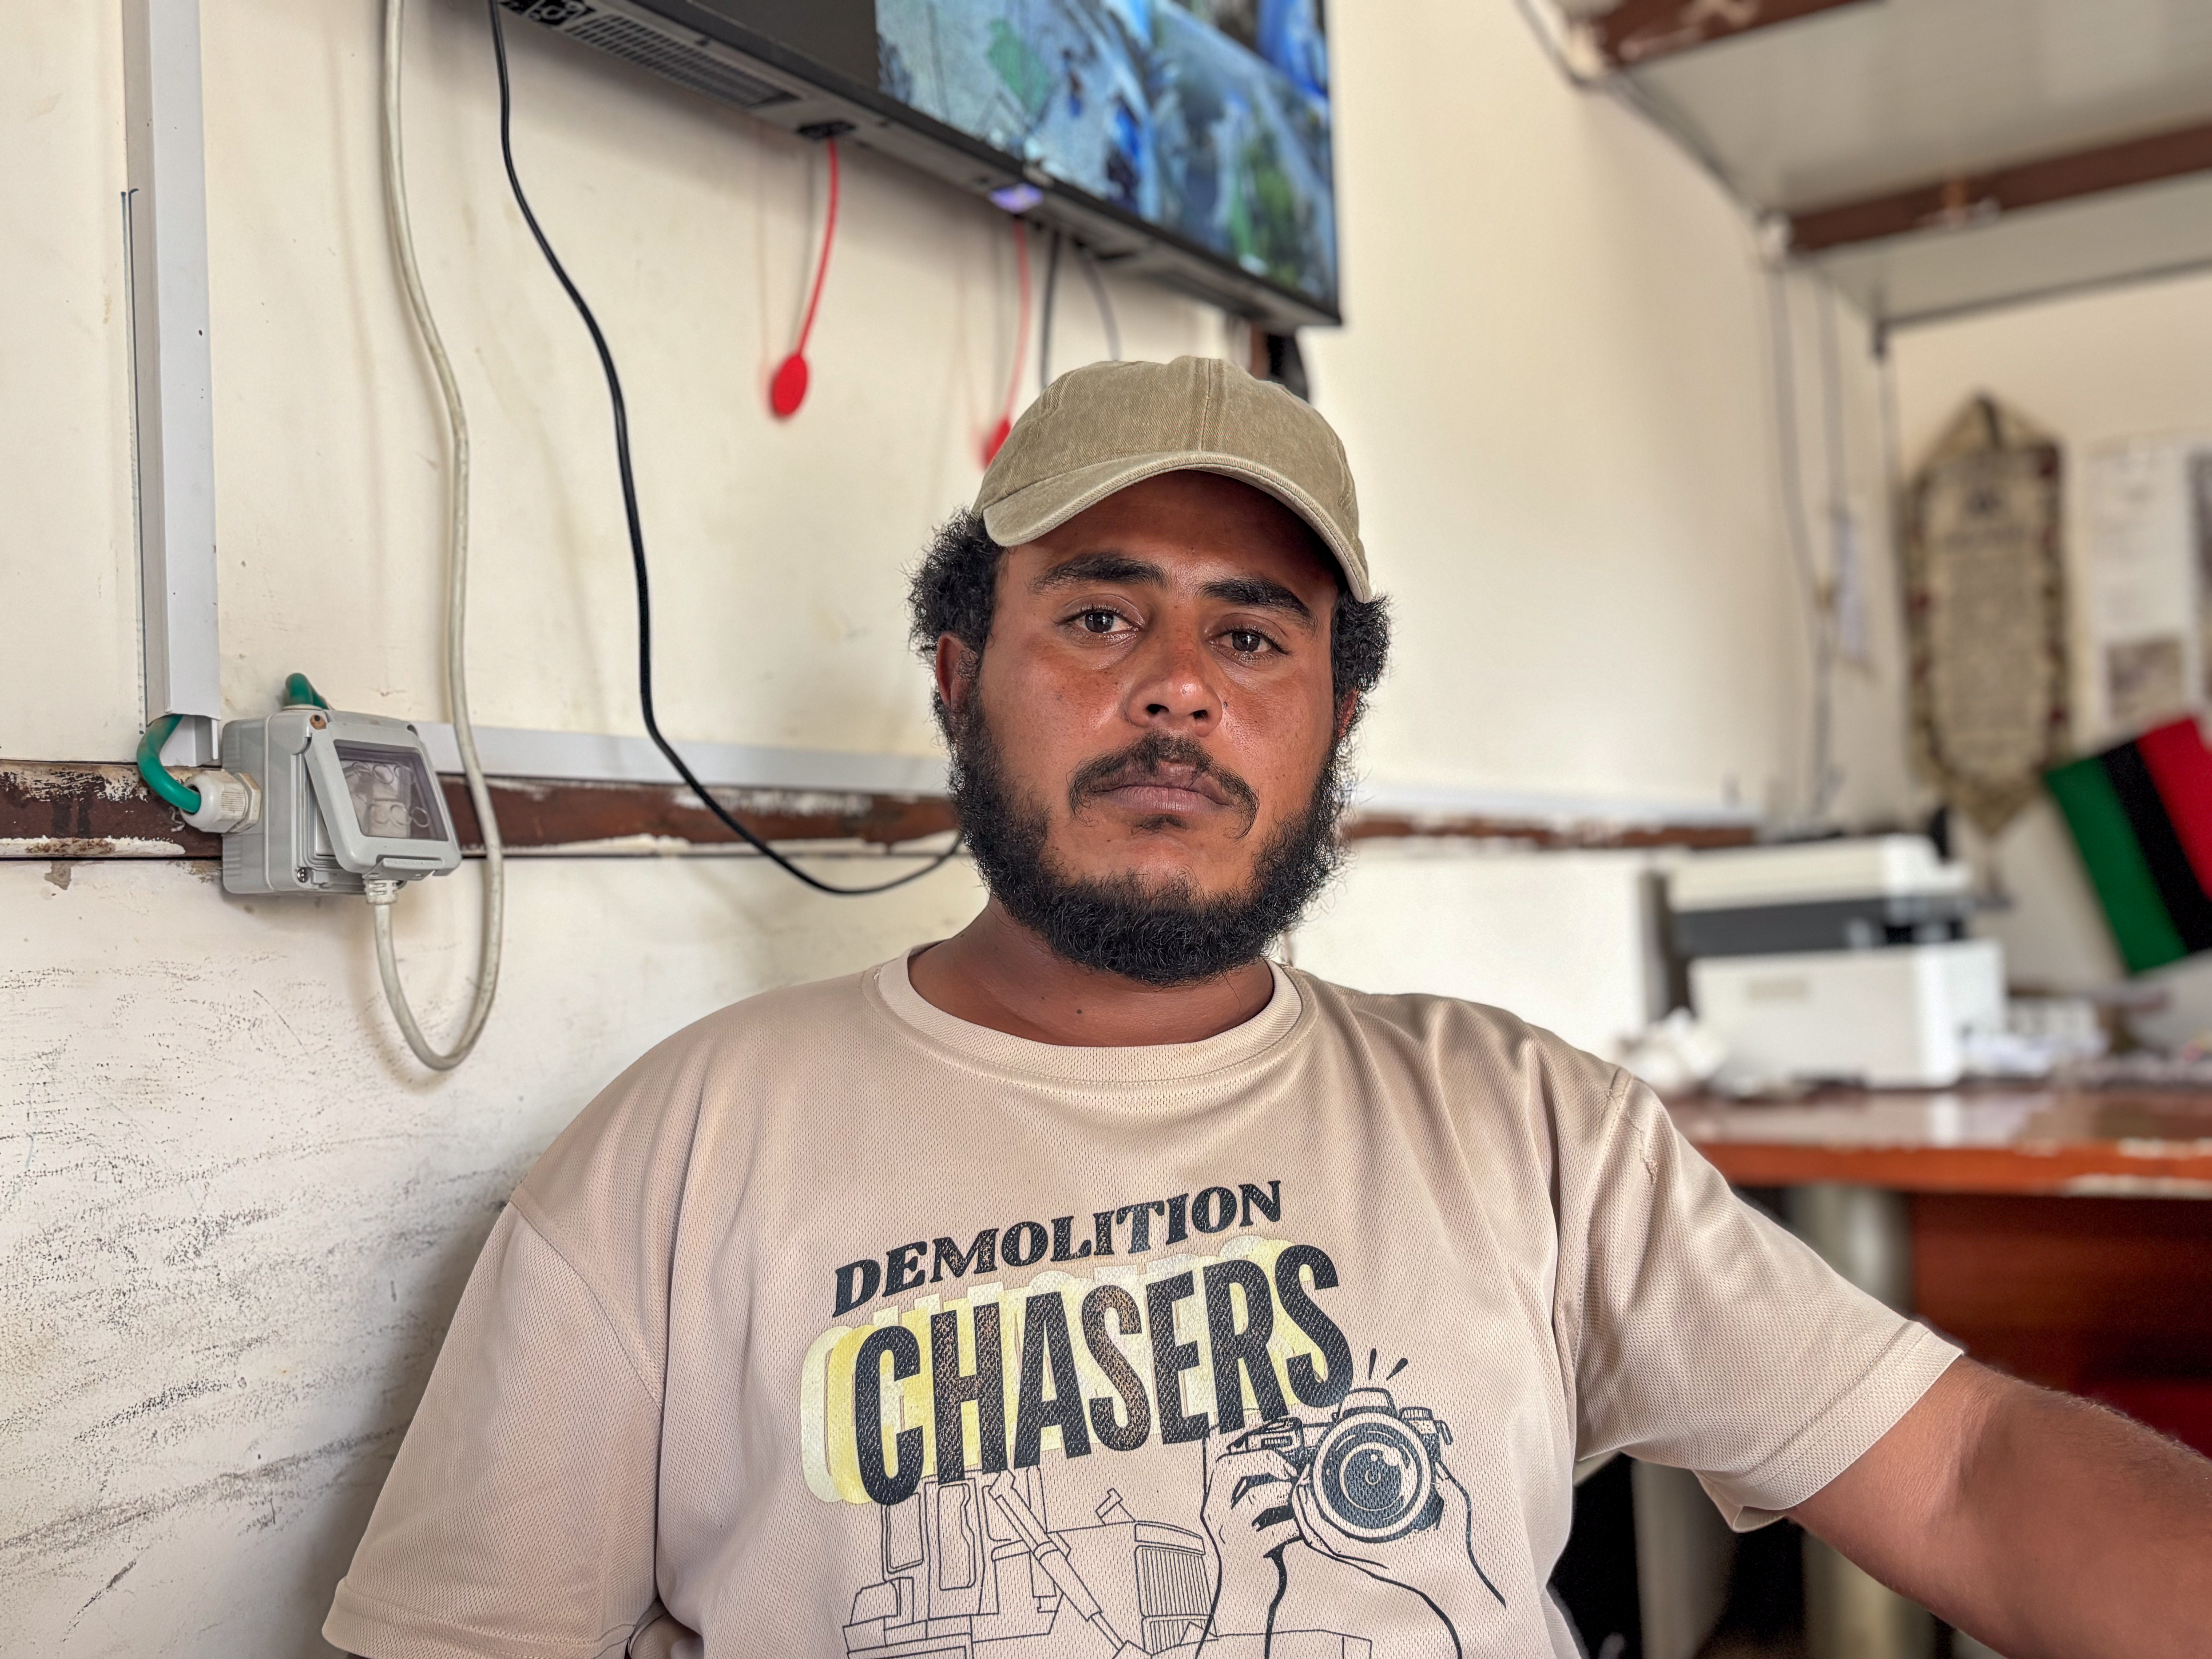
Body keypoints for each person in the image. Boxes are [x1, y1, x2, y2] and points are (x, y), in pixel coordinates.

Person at [326, 357, 2212, 1659]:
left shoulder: (1526, 1124)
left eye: (1252, 633)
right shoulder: (679, 1156)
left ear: (1330, 719)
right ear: (957, 675)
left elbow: (1962, 1473)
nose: (1178, 690)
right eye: (1097, 614)